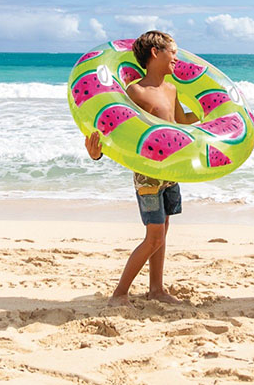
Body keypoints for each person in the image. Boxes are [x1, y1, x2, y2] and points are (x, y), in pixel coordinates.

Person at [85, 30, 198, 307]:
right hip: (148, 173)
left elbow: (181, 121)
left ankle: (156, 289)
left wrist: (213, 115)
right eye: (173, 52)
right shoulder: (135, 91)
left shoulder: (171, 89)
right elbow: (117, 130)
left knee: (163, 232)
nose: (176, 58)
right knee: (154, 236)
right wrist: (97, 154)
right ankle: (119, 293)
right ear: (155, 53)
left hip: (171, 170)